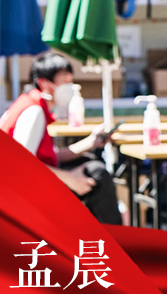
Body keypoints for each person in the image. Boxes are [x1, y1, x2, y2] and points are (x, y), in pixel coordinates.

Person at [0, 51, 122, 225]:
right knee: (97, 174)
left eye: (70, 80)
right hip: (19, 192)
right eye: (64, 81)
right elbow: (24, 164)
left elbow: (47, 156)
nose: (70, 86)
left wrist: (90, 143)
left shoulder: (29, 104)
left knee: (89, 162)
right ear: (44, 83)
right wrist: (70, 178)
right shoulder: (33, 112)